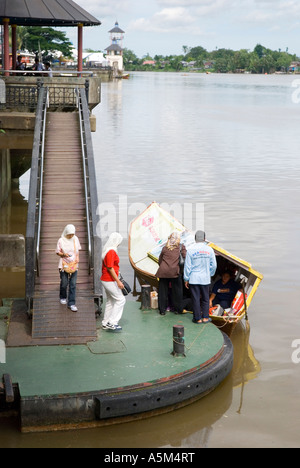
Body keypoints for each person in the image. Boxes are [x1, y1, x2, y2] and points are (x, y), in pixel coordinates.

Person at [184, 230, 217, 324]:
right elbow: (214, 265)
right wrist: (210, 274)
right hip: (205, 279)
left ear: (195, 239)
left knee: (195, 299)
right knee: (206, 299)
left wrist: (186, 278)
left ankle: (197, 318)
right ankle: (206, 318)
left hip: (194, 279)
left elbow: (187, 266)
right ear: (204, 239)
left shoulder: (190, 250)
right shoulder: (209, 250)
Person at [156, 232, 186, 315]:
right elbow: (185, 257)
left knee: (162, 292)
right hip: (175, 271)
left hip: (163, 271)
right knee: (177, 291)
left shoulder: (165, 247)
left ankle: (162, 310)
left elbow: (160, 260)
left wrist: (164, 267)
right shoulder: (180, 246)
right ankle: (178, 309)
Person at [101, 232, 126, 332]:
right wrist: (118, 282)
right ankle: (112, 322)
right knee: (121, 299)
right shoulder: (111, 251)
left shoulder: (107, 250)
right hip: (109, 279)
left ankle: (105, 322)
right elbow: (110, 267)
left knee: (111, 301)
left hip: (106, 279)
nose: (120, 243)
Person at [56, 224, 81, 312]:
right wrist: (63, 254)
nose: (71, 236)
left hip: (74, 264)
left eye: (72, 234)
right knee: (64, 283)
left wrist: (77, 258)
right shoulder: (61, 240)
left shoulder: (75, 239)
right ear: (65, 232)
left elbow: (77, 250)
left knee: (73, 284)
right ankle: (63, 296)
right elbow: (57, 252)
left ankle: (71, 303)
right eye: (69, 234)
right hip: (63, 264)